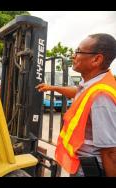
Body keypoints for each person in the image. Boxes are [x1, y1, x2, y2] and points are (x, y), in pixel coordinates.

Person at [36, 33, 116, 177]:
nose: (74, 56)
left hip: (90, 171)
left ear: (96, 59)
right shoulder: (93, 84)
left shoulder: (101, 96)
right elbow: (78, 92)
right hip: (80, 166)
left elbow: (110, 152)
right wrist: (52, 88)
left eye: (78, 52)